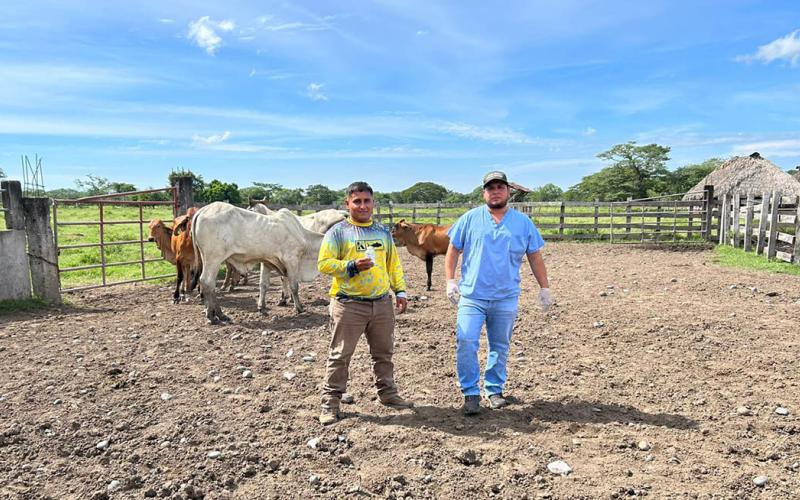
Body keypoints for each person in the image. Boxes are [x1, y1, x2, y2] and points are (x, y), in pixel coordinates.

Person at [444, 171, 553, 415]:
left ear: (508, 191)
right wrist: (450, 281)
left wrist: (544, 287)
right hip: (472, 295)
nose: (495, 191)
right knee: (466, 341)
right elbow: (453, 250)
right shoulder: (470, 219)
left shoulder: (523, 223)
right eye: (490, 187)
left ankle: (494, 389)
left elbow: (534, 255)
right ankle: (470, 393)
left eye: (500, 187)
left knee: (500, 345)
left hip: (505, 295)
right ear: (484, 192)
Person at [317, 181, 414, 425]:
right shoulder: (338, 232)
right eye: (357, 201)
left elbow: (393, 263)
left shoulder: (382, 232)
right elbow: (324, 264)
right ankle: (330, 403)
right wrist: (350, 266)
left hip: (381, 303)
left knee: (384, 352)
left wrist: (400, 290)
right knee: (340, 355)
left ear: (373, 203)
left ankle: (388, 393)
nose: (362, 206)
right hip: (349, 303)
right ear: (347, 204)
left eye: (367, 201)